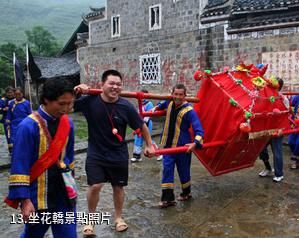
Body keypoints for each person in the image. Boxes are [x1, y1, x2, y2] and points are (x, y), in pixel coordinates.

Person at [74, 69, 155, 236]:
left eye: (118, 84)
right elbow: (66, 104)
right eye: (111, 83)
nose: (115, 87)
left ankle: (118, 218)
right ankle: (91, 220)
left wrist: (149, 144)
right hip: (96, 152)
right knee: (95, 185)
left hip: (118, 153)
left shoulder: (126, 106)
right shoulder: (89, 101)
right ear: (102, 84)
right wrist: (76, 91)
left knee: (118, 187)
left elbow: (141, 126)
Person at [5, 78, 76, 237]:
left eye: (70, 103)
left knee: (69, 234)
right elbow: (19, 166)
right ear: (46, 100)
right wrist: (25, 200)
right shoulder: (27, 126)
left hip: (63, 194)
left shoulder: (68, 124)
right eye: (61, 103)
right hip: (38, 196)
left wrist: (72, 187)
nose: (66, 108)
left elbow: (69, 158)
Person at [153, 84, 204, 208]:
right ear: (172, 94)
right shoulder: (168, 103)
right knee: (167, 170)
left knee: (184, 172)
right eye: (175, 94)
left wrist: (195, 143)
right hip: (168, 148)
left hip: (183, 148)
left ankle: (186, 193)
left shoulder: (190, 111)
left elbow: (200, 130)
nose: (177, 97)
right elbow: (161, 105)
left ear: (185, 96)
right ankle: (168, 199)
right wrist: (155, 108)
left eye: (181, 94)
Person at [258, 78, 287, 182]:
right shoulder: (265, 96)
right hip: (265, 129)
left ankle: (279, 174)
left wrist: (281, 128)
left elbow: (285, 115)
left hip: (277, 129)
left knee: (277, 152)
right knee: (260, 149)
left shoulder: (283, 98)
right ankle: (268, 168)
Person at [131, 89, 163, 162]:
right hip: (139, 124)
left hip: (147, 124)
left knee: (148, 139)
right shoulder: (139, 104)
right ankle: (137, 156)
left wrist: (141, 124)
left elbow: (148, 116)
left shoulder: (149, 104)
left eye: (144, 96)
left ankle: (158, 153)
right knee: (137, 139)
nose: (142, 98)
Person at [6, 88, 32, 153]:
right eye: (16, 94)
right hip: (14, 124)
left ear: (22, 94)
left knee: (24, 138)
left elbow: (30, 114)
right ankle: (15, 153)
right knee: (14, 139)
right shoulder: (12, 103)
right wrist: (8, 123)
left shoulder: (26, 103)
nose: (18, 96)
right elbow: (9, 114)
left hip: (24, 123)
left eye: (19, 94)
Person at [0, 86, 15, 154]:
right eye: (8, 93)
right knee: (8, 135)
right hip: (6, 120)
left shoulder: (16, 99)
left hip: (15, 120)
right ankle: (10, 149)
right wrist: (3, 109)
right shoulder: (3, 100)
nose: (10, 94)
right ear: (6, 93)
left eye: (11, 92)